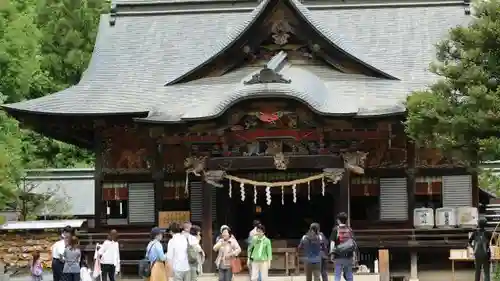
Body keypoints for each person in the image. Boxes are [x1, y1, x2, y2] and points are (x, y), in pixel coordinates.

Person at [330, 212, 354, 281]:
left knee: (337, 275)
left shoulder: (335, 229)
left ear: (338, 220)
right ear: (346, 220)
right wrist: (353, 255)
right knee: (349, 274)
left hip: (338, 255)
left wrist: (332, 254)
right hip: (348, 255)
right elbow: (352, 243)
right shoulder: (350, 229)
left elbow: (332, 243)